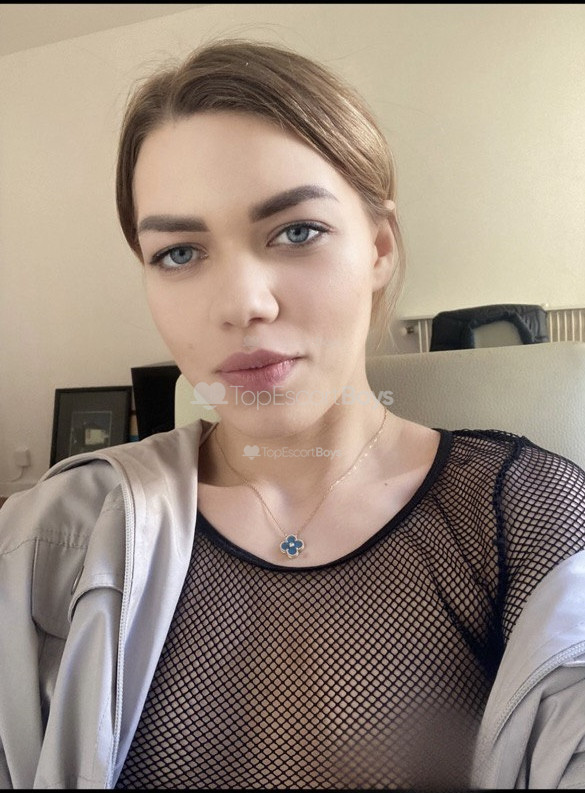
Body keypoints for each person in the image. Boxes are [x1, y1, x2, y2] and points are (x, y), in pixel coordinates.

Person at [1, 37, 585, 791]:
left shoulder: (528, 519)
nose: (243, 304)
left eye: (296, 231)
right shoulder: (51, 538)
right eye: (178, 252)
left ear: (378, 247)